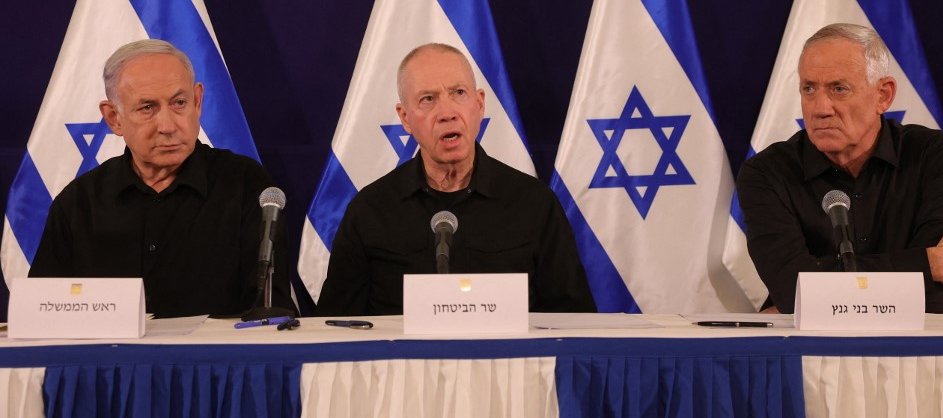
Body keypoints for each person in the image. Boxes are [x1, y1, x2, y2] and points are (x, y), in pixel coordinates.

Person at [316, 43, 596, 316]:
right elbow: (335, 326)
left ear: (479, 104)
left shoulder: (533, 203)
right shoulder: (371, 210)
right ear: (405, 118)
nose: (447, 113)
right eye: (428, 99)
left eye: (459, 93)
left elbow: (573, 319)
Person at [29, 39, 294, 319]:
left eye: (179, 103)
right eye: (147, 108)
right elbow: (44, 315)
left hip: (215, 361)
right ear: (113, 118)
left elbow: (267, 311)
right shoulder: (79, 203)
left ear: (198, 101)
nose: (167, 126)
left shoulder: (245, 185)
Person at [736, 23, 943, 314]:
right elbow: (792, 289)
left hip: (916, 351)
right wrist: (928, 263)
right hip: (813, 351)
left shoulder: (934, 157)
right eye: (809, 89)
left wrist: (823, 288)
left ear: (883, 96)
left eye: (839, 89)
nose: (820, 108)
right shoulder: (766, 173)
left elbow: (934, 296)